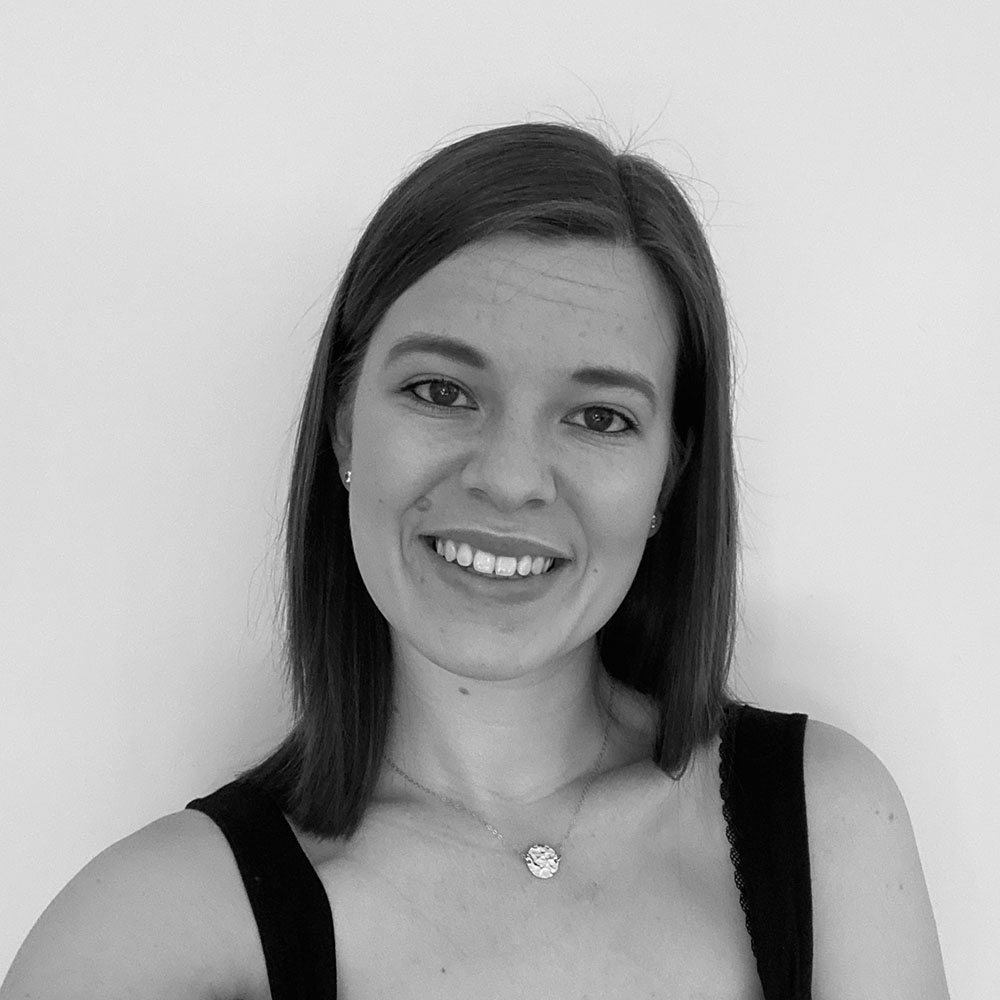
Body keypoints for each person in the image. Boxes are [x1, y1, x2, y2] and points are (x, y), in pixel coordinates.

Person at [1, 122, 949, 1000]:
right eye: (441, 391)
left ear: (670, 475)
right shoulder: (145, 933)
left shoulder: (828, 826)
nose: (508, 479)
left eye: (600, 416)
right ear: (343, 425)